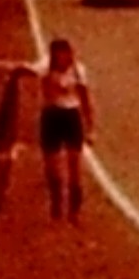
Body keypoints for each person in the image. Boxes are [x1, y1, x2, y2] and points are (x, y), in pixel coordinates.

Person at [34, 36, 94, 215]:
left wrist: (90, 127)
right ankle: (56, 201)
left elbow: (85, 98)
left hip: (71, 116)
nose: (62, 59)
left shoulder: (77, 70)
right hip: (51, 115)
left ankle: (74, 206)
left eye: (65, 54)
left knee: (74, 164)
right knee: (52, 165)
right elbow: (30, 71)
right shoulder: (45, 67)